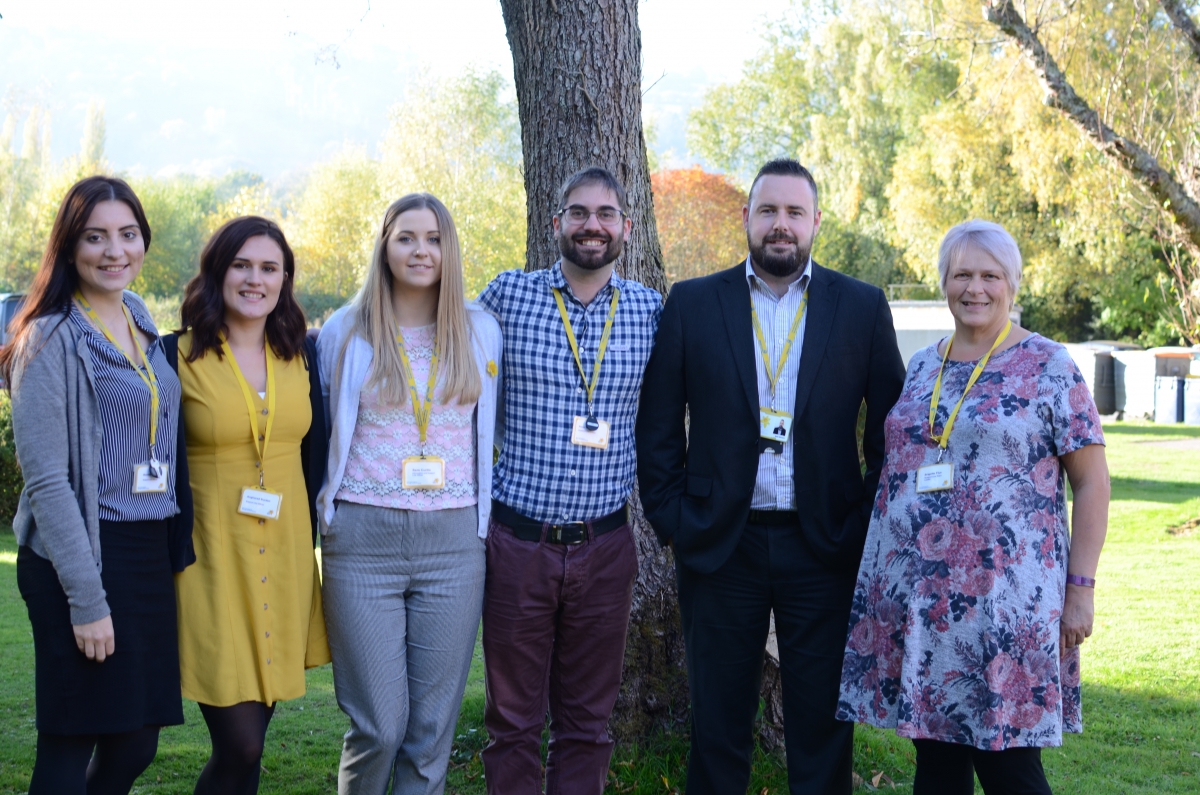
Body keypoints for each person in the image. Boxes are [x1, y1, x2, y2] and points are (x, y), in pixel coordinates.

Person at [636, 158, 906, 794]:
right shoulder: (694, 303)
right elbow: (657, 428)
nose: (780, 225)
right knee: (718, 725)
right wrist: (674, 520)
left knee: (820, 729)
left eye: (793, 212)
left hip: (824, 548)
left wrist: (860, 524)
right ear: (747, 218)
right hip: (719, 544)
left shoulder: (861, 307)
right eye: (767, 211)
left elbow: (890, 435)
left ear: (815, 221)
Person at [835, 219, 1110, 795]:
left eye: (990, 275)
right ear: (944, 282)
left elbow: (1091, 483)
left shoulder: (1049, 366)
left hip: (1008, 607)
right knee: (935, 768)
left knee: (1011, 769)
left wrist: (1080, 588)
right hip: (923, 606)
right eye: (962, 274)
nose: (975, 288)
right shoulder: (921, 366)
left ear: (1012, 283)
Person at [4, 176, 194, 795]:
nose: (115, 250)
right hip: (78, 553)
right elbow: (48, 481)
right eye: (96, 237)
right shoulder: (49, 337)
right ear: (69, 246)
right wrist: (86, 600)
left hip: (143, 551)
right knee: (71, 740)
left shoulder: (138, 316)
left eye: (128, 234)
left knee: (136, 740)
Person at [476, 166, 661, 795]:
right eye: (579, 213)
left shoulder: (649, 311)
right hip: (517, 544)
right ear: (556, 223)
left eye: (606, 214)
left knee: (588, 722)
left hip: (605, 547)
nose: (592, 226)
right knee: (512, 721)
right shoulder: (507, 297)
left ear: (626, 229)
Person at [316, 193, 502, 794]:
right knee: (379, 724)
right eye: (407, 237)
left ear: (450, 248)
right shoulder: (346, 330)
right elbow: (324, 427)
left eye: (434, 238)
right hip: (362, 540)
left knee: (429, 729)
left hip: (453, 541)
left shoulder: (480, 330)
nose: (421, 250)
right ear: (384, 245)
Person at [168, 216, 330, 795]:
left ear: (285, 279)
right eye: (241, 265)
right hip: (212, 562)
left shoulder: (301, 355)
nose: (255, 279)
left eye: (269, 268)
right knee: (241, 743)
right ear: (217, 271)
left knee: (250, 745)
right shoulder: (174, 356)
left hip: (284, 557)